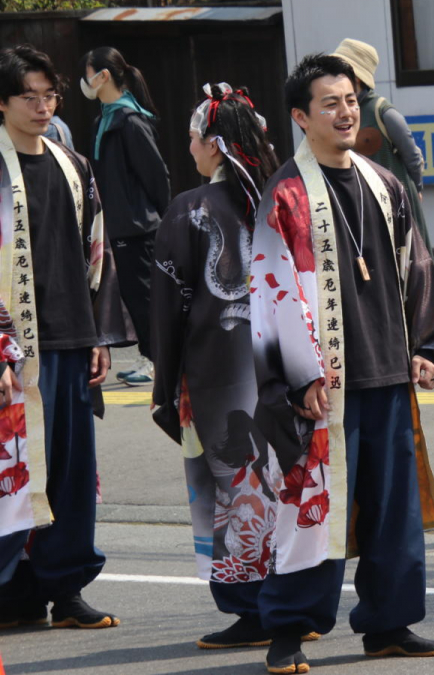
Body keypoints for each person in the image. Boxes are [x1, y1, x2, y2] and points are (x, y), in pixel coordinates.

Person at [250, 53, 434, 674]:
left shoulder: (382, 183)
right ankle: (289, 629)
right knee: (312, 508)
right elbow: (270, 291)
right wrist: (298, 375)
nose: (344, 113)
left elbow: (417, 266)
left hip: (387, 373)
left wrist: (424, 345)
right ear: (300, 117)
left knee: (395, 514)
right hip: (324, 385)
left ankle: (389, 624)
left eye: (350, 100)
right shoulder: (284, 195)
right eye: (329, 103)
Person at [150, 83, 295, 649]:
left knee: (229, 485)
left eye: (191, 138)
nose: (188, 149)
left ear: (213, 144)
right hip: (287, 372)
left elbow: (167, 310)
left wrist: (165, 384)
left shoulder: (190, 210)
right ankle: (295, 594)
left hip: (215, 378)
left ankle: (248, 608)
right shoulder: (281, 202)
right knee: (287, 478)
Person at [0, 44, 135, 631]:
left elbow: (98, 256)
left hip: (70, 340)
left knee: (70, 473)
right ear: (2, 103)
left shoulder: (73, 166)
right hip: (13, 351)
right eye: (28, 96)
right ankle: (12, 591)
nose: (41, 105)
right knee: (15, 472)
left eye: (49, 95)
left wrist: (99, 335)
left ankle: (67, 588)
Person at [80, 46, 170, 386]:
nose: (84, 81)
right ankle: (156, 362)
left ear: (103, 76)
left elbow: (156, 176)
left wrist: (166, 221)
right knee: (133, 302)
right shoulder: (103, 119)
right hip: (116, 229)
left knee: (147, 304)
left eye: (88, 73)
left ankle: (164, 367)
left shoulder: (131, 120)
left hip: (139, 230)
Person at [330, 38, 431, 246]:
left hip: (395, 201)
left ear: (357, 78)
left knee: (408, 260)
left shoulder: (382, 111)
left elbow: (412, 155)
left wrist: (416, 189)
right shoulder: (339, 112)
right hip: (360, 202)